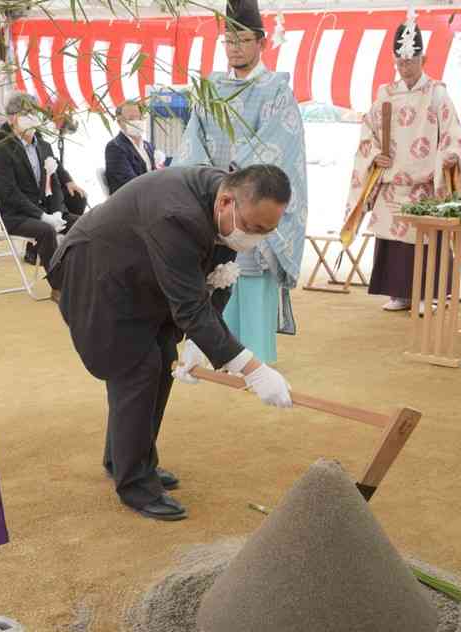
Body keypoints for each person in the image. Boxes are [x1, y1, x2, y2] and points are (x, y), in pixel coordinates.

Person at [48, 164, 294, 521]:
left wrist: (200, 346)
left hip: (143, 275)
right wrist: (253, 370)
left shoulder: (228, 209)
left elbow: (217, 277)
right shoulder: (176, 214)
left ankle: (126, 458)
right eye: (255, 229)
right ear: (226, 202)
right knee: (137, 367)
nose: (255, 238)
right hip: (99, 273)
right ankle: (135, 483)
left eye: (267, 231)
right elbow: (191, 307)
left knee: (162, 358)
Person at [173, 0, 307, 363]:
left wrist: (234, 178)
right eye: (228, 40)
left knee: (250, 273)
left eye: (242, 40)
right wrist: (206, 182)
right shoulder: (210, 88)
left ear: (261, 42)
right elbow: (192, 141)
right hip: (218, 202)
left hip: (251, 200)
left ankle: (257, 359)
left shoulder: (276, 89)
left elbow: (279, 144)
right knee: (217, 275)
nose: (234, 47)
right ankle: (222, 355)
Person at [345, 15, 461, 311]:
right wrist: (375, 153)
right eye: (400, 62)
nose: (405, 67)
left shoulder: (437, 93)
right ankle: (399, 293)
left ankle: (429, 295)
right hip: (391, 181)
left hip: (425, 181)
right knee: (393, 241)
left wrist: (450, 153)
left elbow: (452, 132)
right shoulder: (385, 94)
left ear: (423, 58)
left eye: (411, 61)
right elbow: (367, 132)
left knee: (425, 240)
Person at [0, 92, 82, 289]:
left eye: (35, 113)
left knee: (84, 224)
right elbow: (9, 193)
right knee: (47, 230)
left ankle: (81, 274)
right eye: (27, 113)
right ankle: (60, 287)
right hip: (17, 215)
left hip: (47, 209)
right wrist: (42, 216)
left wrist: (56, 211)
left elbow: (54, 183)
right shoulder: (1, 150)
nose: (33, 118)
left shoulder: (45, 146)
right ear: (13, 118)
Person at [105, 100, 163, 194]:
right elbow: (128, 183)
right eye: (131, 119)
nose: (136, 122)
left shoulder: (148, 146)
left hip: (151, 197)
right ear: (120, 122)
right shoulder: (115, 147)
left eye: (139, 118)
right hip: (130, 201)